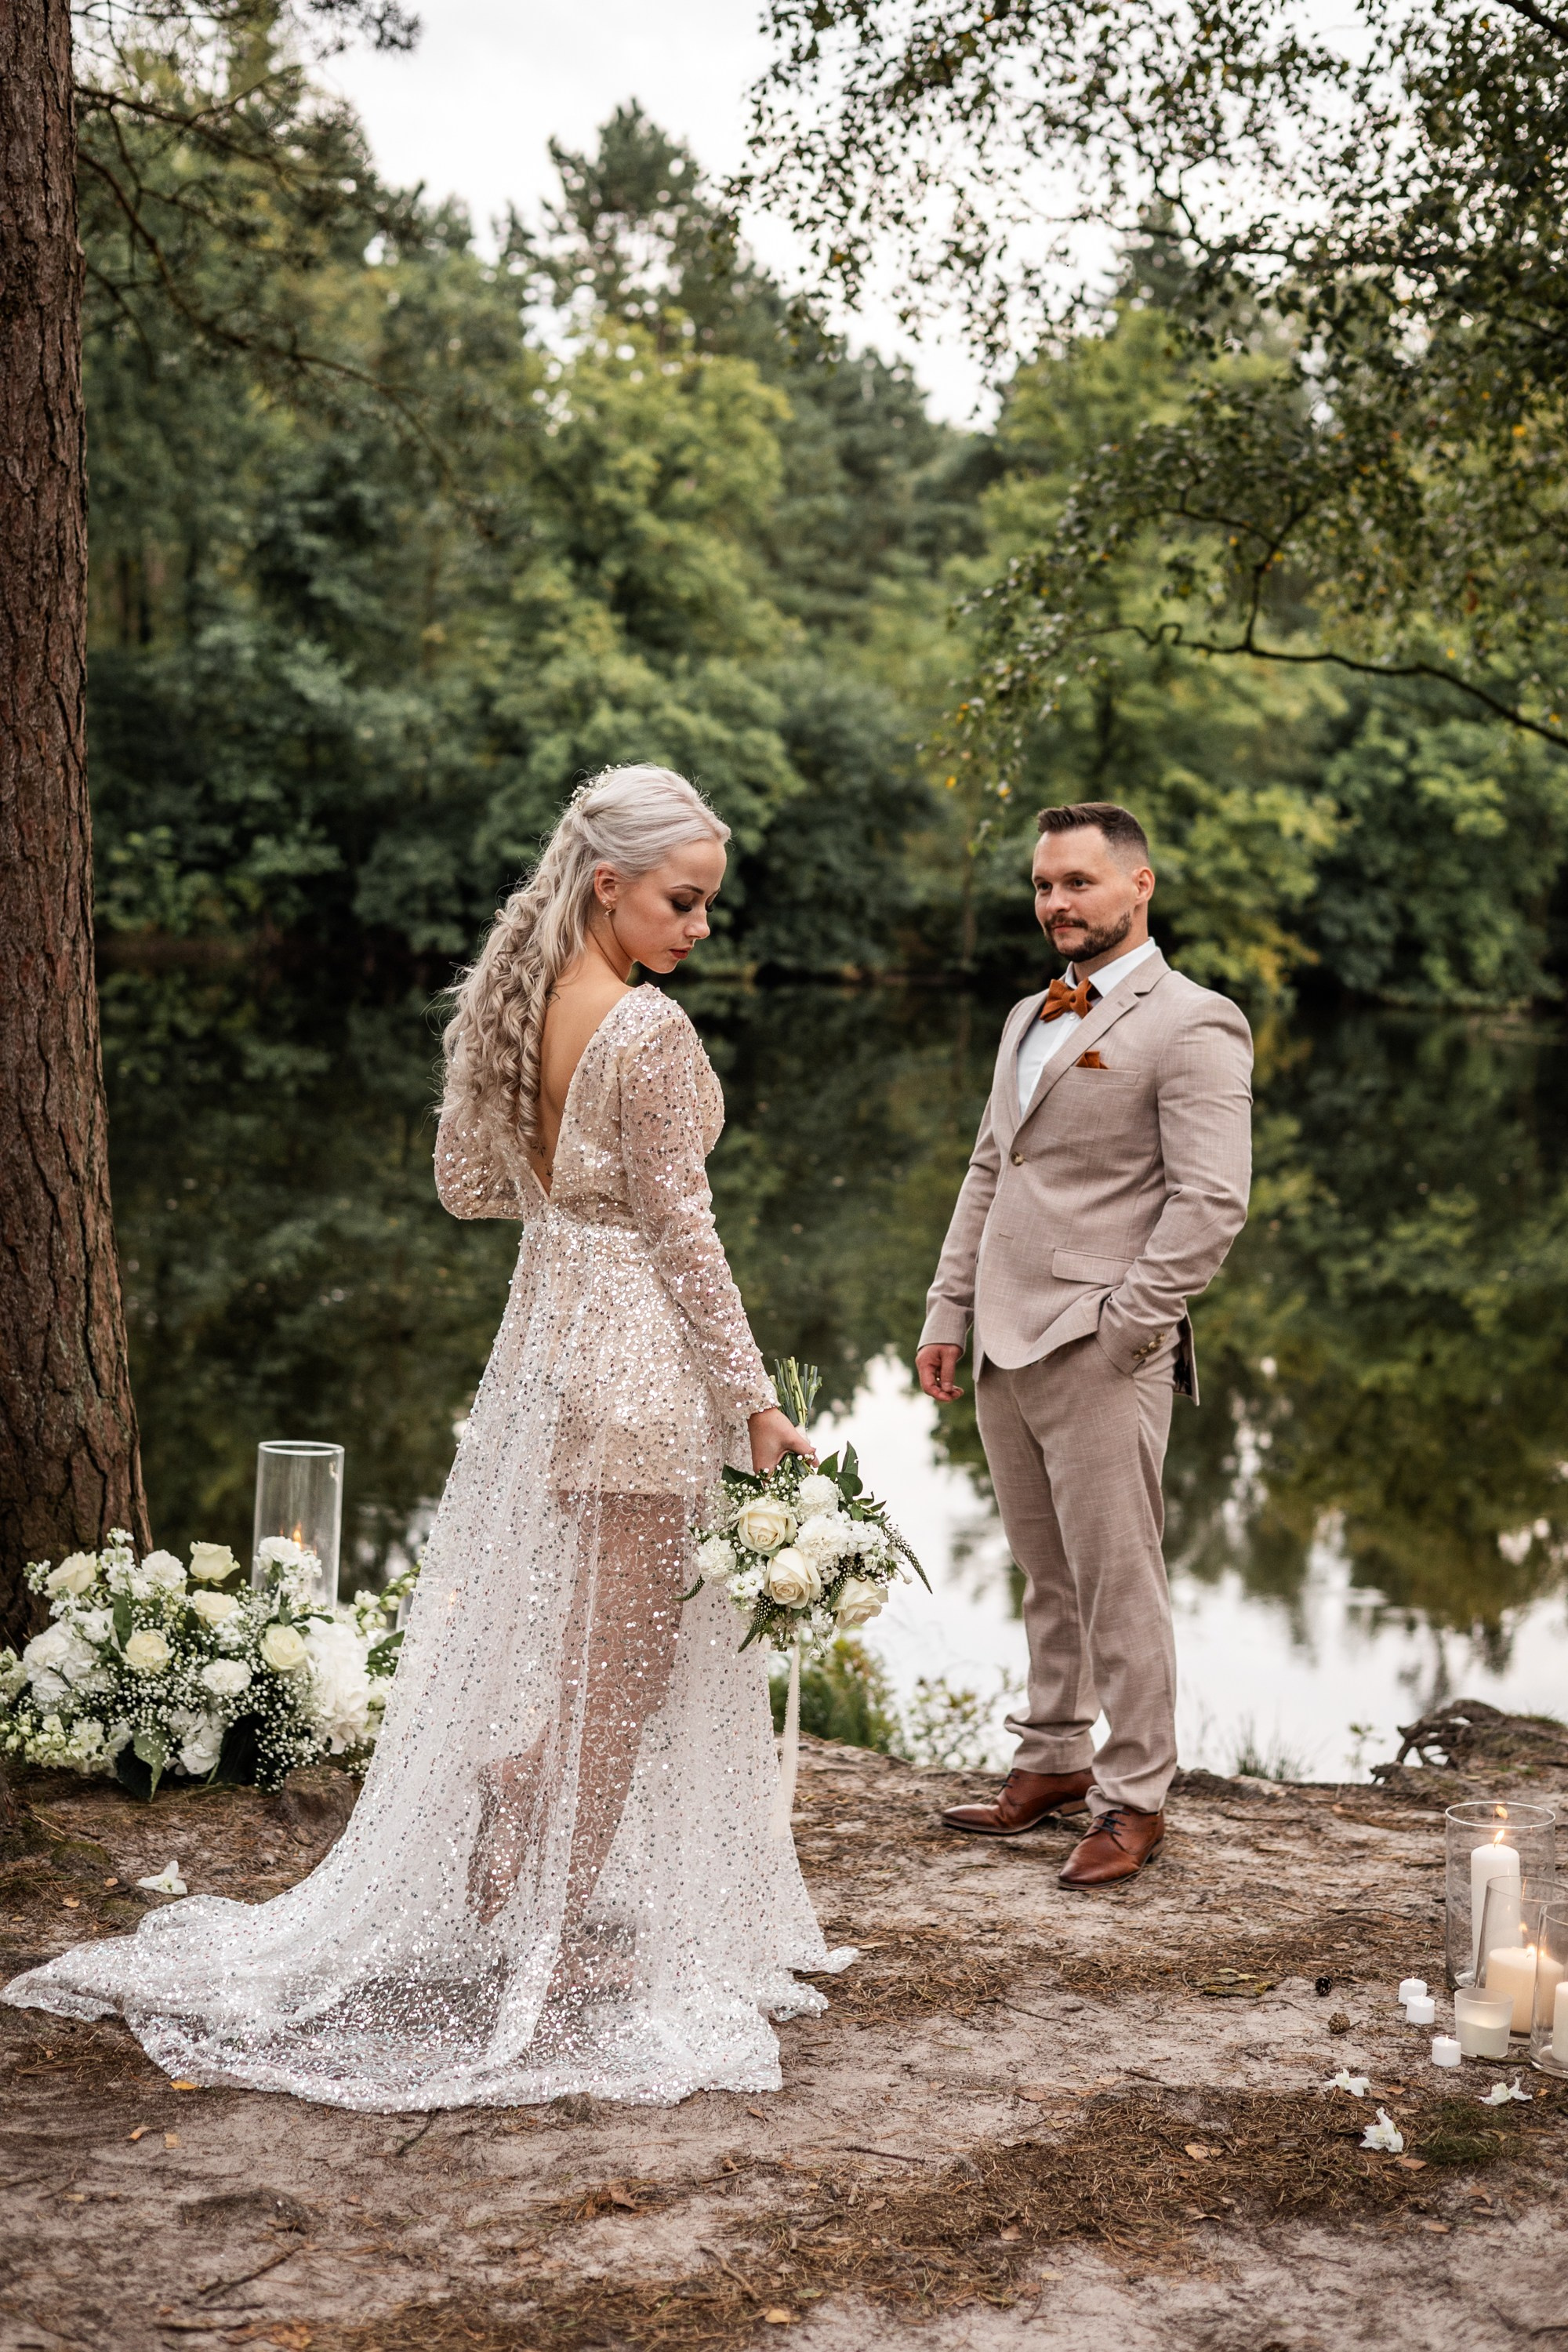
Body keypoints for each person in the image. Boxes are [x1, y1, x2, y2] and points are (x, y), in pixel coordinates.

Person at [5, 764, 850, 2107]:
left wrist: (571, 1210)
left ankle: (525, 1800)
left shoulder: (513, 1016)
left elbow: (468, 1189)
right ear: (611, 884)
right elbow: (688, 1242)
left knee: (602, 1645)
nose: (700, 929)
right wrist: (755, 1401)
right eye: (685, 903)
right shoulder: (649, 1035)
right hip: (636, 1368)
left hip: (550, 1352)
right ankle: (554, 1928)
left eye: (707, 907)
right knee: (625, 1670)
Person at [916, 801, 1252, 1888]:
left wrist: (1128, 1329)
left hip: (1102, 1344)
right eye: (1043, 885)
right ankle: (1052, 1759)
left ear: (1139, 886)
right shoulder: (1027, 1015)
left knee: (1121, 1581)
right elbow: (988, 1171)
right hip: (1005, 1341)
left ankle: (1135, 1797)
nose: (1055, 903)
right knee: (1043, 1573)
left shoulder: (1194, 1022)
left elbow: (1211, 1203)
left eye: (1077, 883)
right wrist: (946, 1311)